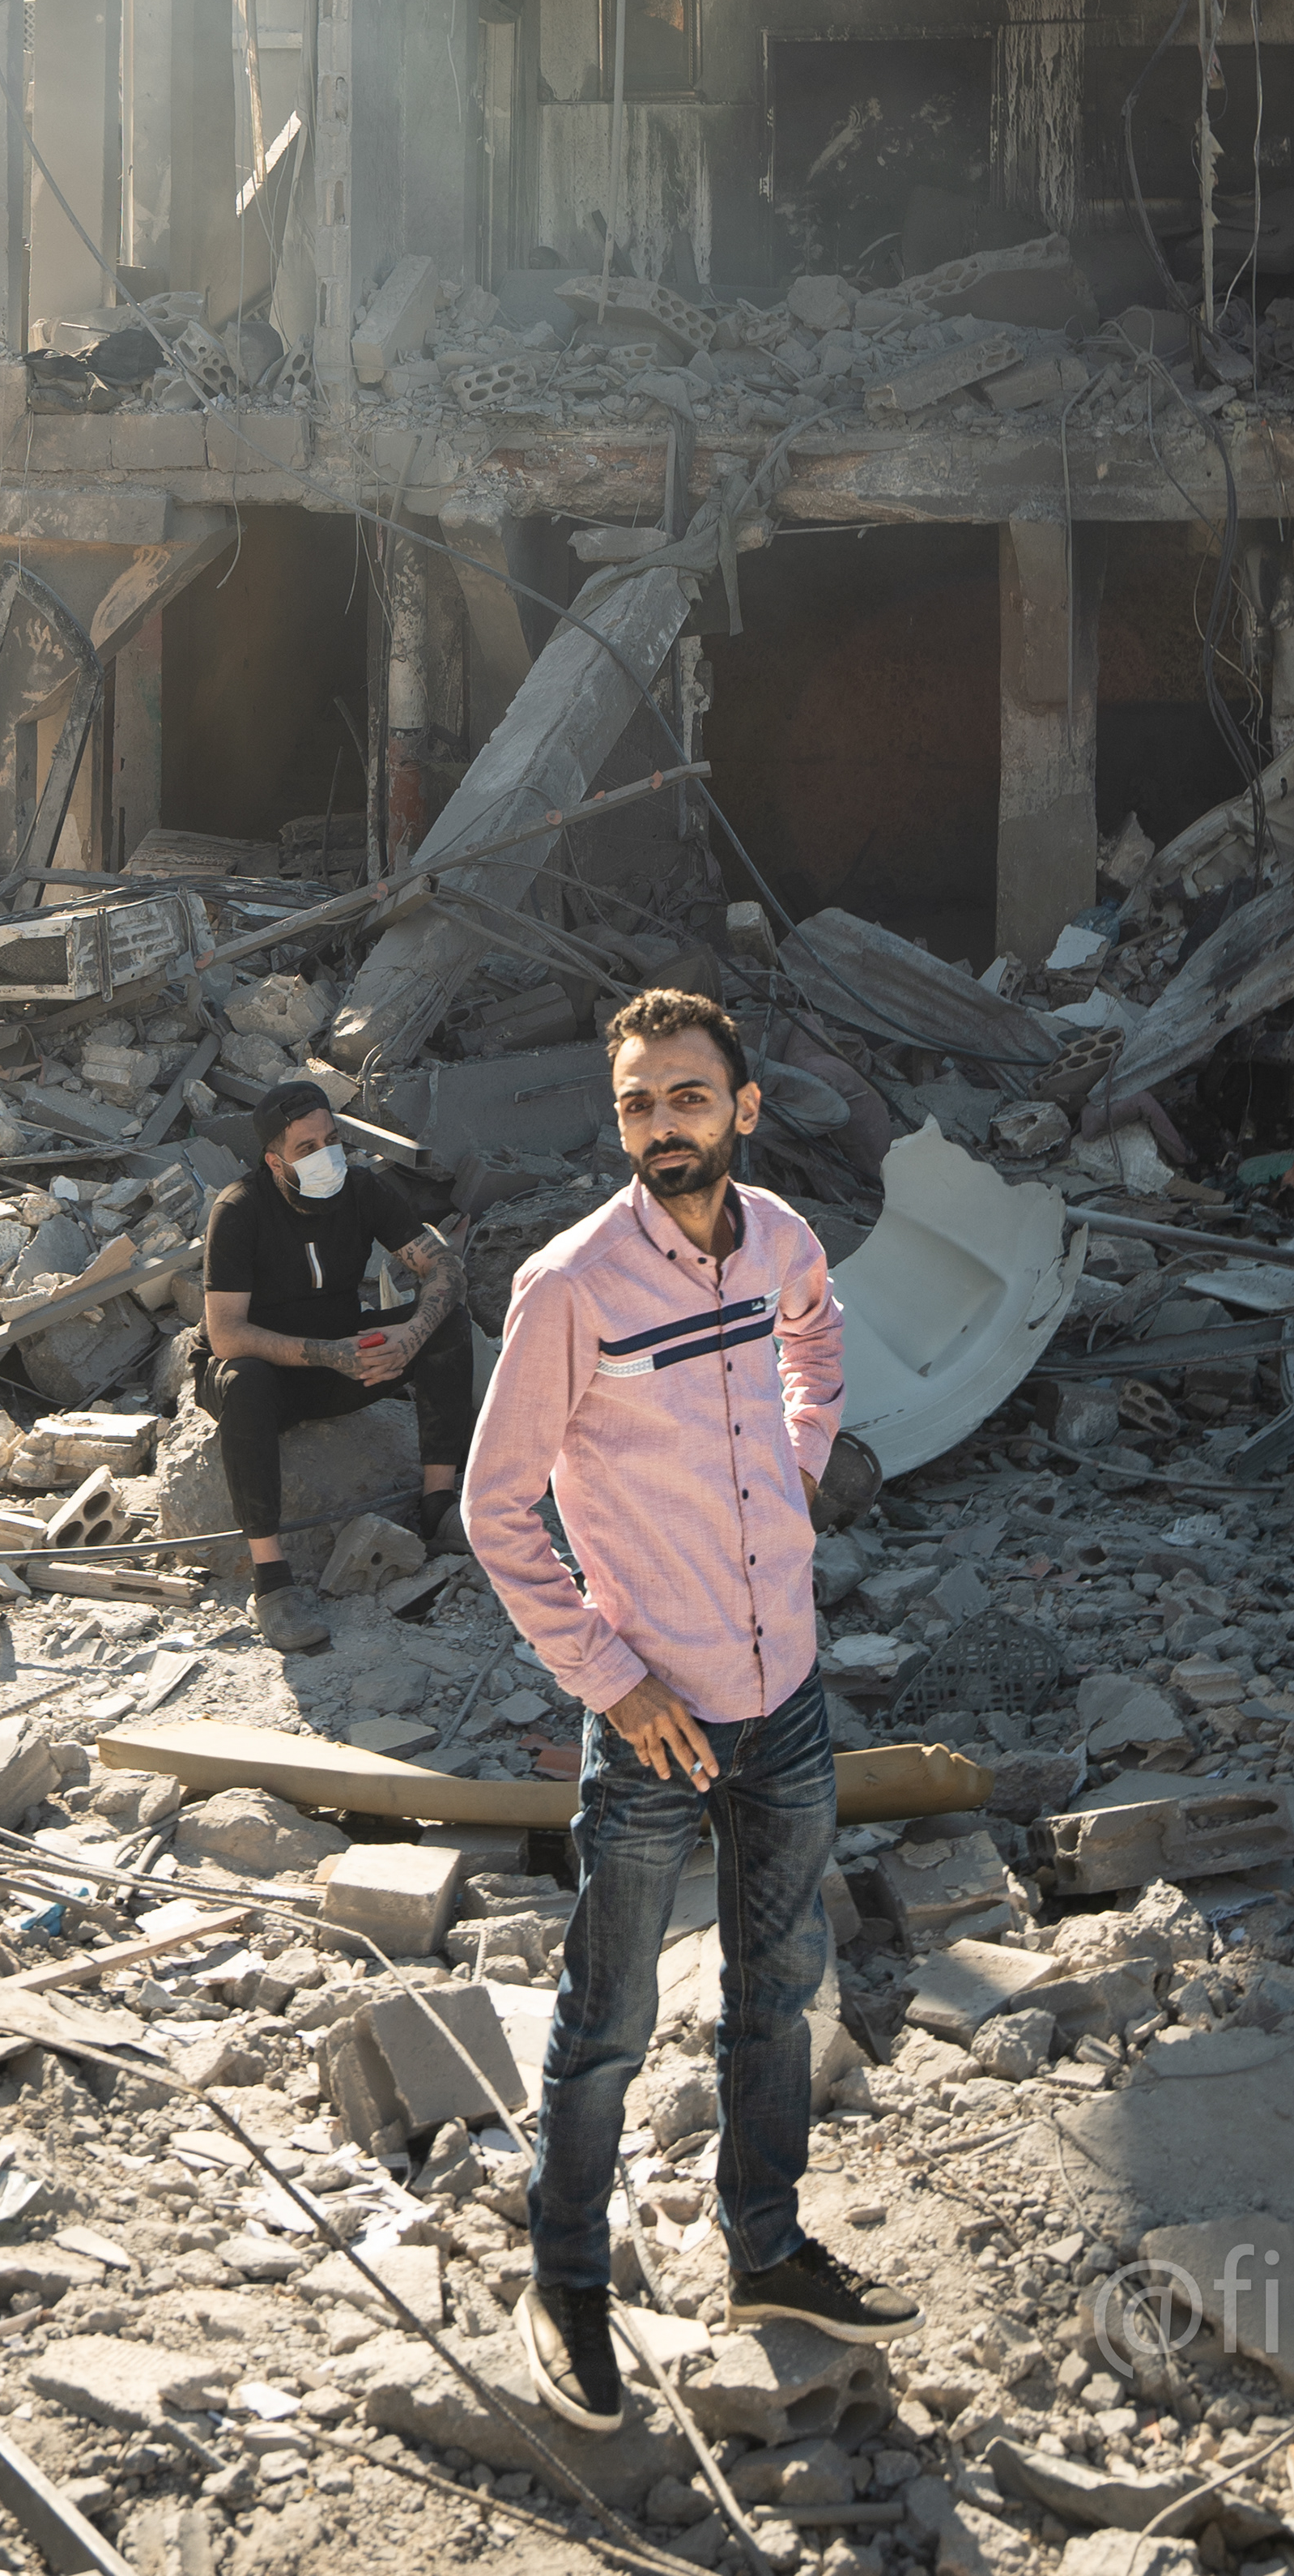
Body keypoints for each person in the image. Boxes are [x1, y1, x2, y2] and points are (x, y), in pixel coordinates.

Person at [462, 988, 917, 2437]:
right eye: (639, 1106)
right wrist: (610, 1676)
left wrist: (795, 1464)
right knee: (607, 2018)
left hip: (784, 1691)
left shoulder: (781, 1235)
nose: (664, 1127)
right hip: (657, 1720)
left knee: (777, 1997)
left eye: (688, 1098)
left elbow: (817, 1346)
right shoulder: (573, 1286)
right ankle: (570, 2284)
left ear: (744, 1107)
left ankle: (767, 2253)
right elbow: (494, 1509)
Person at [202, 1081, 473, 1654]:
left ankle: (439, 1504)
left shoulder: (363, 1190)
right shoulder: (239, 1209)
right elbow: (227, 1334)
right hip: (272, 1370)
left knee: (447, 1322)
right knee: (242, 1380)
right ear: (275, 1160)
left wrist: (410, 1335)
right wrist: (328, 1354)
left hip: (343, 1361)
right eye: (308, 1148)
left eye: (333, 1140)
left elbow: (443, 1267)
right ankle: (273, 1583)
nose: (328, 1156)